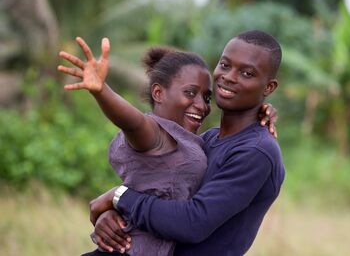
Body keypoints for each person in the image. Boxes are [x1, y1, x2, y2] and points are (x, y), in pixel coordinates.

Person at [58, 37, 277, 256]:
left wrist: (119, 197)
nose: (229, 77)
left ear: (269, 87)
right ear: (158, 93)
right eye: (225, 65)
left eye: (247, 73)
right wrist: (113, 212)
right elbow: (137, 132)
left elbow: (193, 222)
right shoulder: (206, 140)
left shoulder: (254, 152)